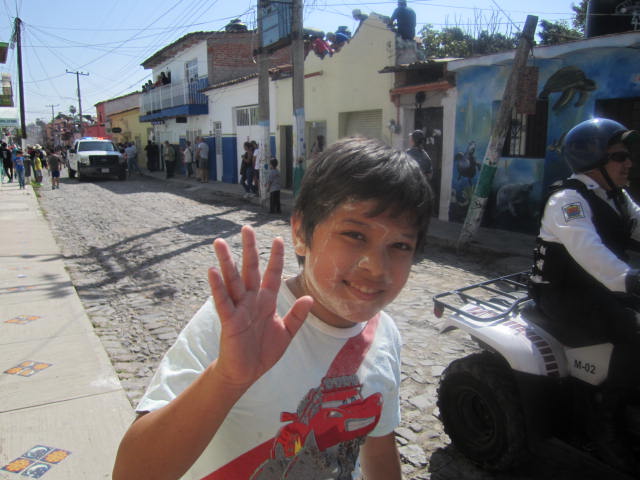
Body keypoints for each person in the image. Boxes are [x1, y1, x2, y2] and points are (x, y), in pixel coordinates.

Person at [113, 137, 432, 480]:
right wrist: (226, 379)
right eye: (354, 235)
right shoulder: (238, 324)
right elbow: (131, 473)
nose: (377, 266)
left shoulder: (385, 335)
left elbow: (378, 445)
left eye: (400, 245)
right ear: (300, 233)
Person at [529, 117, 640, 473]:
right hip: (565, 296)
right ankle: (605, 419)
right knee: (634, 330)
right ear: (593, 160)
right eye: (619, 156)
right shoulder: (567, 200)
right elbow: (590, 252)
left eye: (627, 156)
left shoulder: (616, 196)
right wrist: (630, 280)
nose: (628, 163)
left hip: (600, 289)